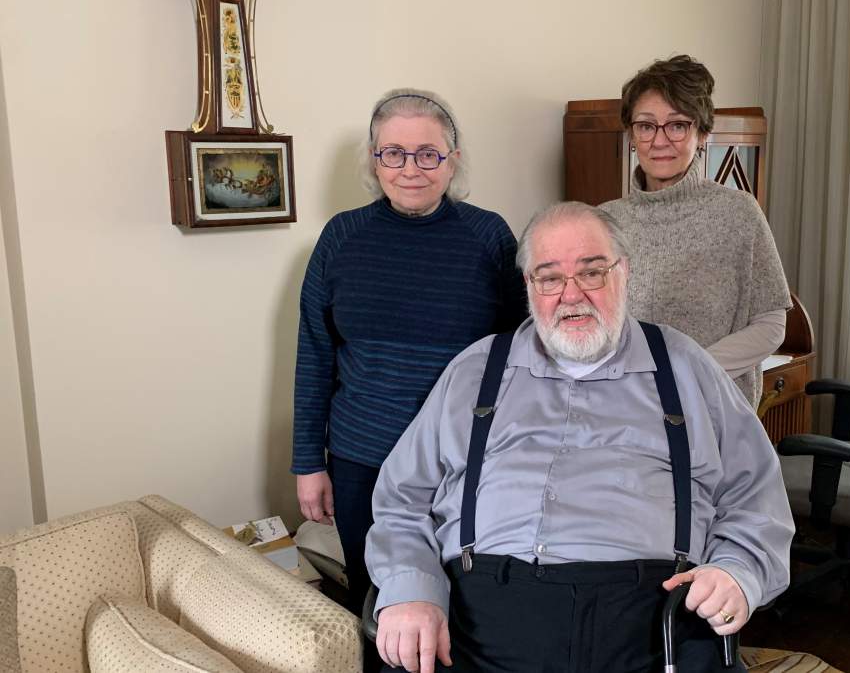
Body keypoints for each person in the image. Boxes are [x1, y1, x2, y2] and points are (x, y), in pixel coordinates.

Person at [366, 202, 793, 672]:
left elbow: (757, 499)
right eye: (549, 277)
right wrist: (411, 589)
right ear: (528, 286)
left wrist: (738, 571)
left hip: (653, 618)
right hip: (483, 614)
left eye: (591, 273)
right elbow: (401, 501)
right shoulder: (475, 370)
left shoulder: (685, 367)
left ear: (623, 273)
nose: (571, 295)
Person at [291, 88, 527, 634]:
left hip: (466, 462)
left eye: (428, 153)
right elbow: (315, 353)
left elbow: (520, 351)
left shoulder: (488, 237)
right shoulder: (341, 238)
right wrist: (309, 462)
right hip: (361, 461)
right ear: (375, 161)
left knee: (467, 607)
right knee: (379, 606)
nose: (410, 168)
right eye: (393, 153)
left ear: (453, 159)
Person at [600, 54, 792, 407]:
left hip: (715, 413)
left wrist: (688, 371)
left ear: (702, 132)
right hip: (627, 411)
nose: (659, 140)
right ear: (631, 134)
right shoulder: (604, 223)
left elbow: (770, 325)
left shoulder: (737, 212)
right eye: (646, 125)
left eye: (677, 125)